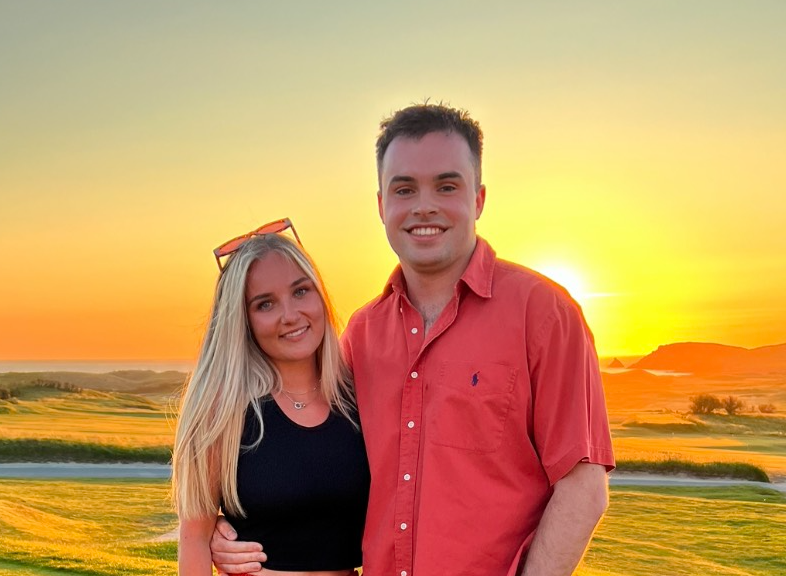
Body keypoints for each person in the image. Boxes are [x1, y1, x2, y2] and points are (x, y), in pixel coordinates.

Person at [211, 104, 615, 576]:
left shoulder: (544, 314)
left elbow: (583, 486)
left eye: (447, 186)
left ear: (479, 199)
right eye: (405, 189)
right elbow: (310, 458)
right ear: (381, 205)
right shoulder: (359, 337)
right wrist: (228, 529)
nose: (424, 206)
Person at [173, 220, 369, 576]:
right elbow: (194, 540)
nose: (290, 315)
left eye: (300, 291)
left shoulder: (358, 398)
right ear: (242, 319)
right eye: (265, 305)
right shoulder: (223, 411)